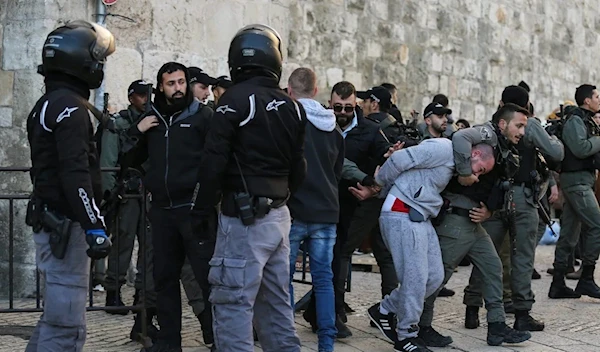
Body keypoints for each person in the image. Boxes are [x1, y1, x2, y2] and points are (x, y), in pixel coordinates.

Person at [193, 24, 305, 352]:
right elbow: (300, 168)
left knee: (232, 306)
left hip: (243, 220)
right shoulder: (292, 106)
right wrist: (281, 198)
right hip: (278, 215)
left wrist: (200, 210)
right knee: (275, 306)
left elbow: (212, 163)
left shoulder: (234, 101)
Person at [351, 138, 495, 352]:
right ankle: (406, 335)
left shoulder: (453, 161)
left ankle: (384, 310)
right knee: (415, 277)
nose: (477, 176)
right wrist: (377, 184)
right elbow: (400, 160)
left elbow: (405, 168)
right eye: (480, 170)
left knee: (435, 277)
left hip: (419, 216)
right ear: (474, 155)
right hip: (402, 213)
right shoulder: (444, 148)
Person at [25, 20, 115, 351]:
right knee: (65, 327)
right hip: (66, 226)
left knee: (54, 319)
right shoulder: (71, 109)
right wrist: (94, 225)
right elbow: (75, 174)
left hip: (51, 219)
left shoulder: (47, 104)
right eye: (98, 59)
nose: (100, 66)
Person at [122, 61, 217, 352]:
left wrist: (205, 201)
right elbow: (128, 160)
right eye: (171, 84)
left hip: (194, 210)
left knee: (206, 279)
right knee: (164, 280)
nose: (177, 89)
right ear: (160, 87)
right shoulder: (152, 120)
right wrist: (138, 130)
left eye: (181, 82)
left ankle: (218, 338)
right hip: (162, 212)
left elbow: (215, 161)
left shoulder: (203, 117)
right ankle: (169, 342)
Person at [286, 67, 344, 352]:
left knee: (282, 280)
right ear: (317, 89)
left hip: (294, 210)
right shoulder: (334, 129)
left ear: (289, 90)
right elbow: (337, 171)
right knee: (324, 280)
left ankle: (287, 340)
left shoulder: (290, 121)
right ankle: (326, 343)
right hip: (326, 209)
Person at [550, 84, 600, 299]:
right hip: (576, 183)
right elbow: (580, 148)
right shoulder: (576, 120)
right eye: (597, 96)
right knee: (597, 224)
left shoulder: (585, 120)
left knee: (569, 234)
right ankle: (586, 278)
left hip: (581, 182)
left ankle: (558, 283)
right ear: (586, 100)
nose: (599, 99)